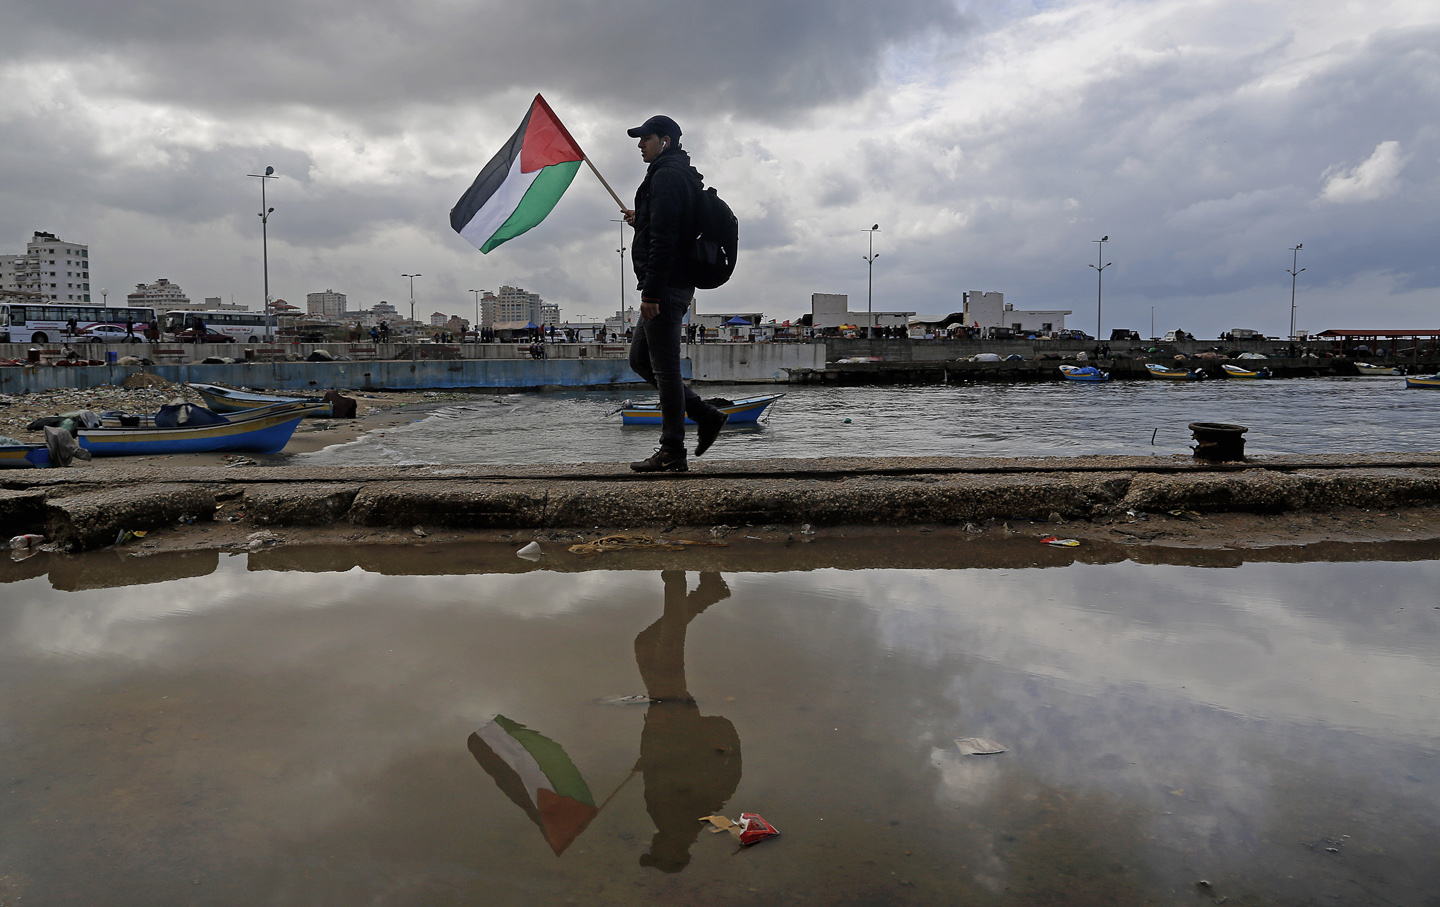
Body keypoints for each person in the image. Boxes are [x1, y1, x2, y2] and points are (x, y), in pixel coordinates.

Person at [622, 114, 727, 473]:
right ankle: (705, 414)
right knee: (640, 359)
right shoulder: (678, 173)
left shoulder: (666, 175)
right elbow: (675, 223)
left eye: (645, 138)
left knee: (665, 371)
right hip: (670, 283)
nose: (640, 145)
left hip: (664, 286)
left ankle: (672, 450)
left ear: (665, 140)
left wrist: (650, 293)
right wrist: (644, 216)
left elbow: (665, 239)